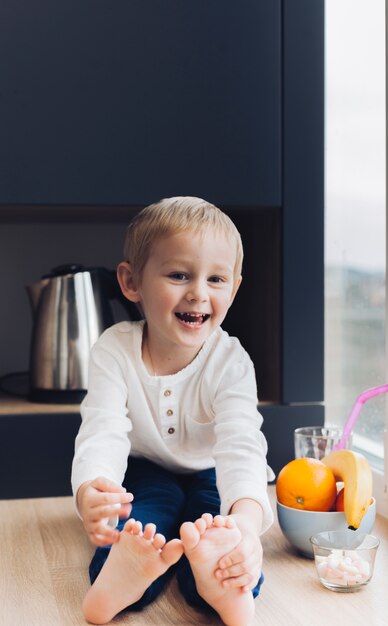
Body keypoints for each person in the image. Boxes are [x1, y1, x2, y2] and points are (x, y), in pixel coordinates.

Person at [71, 196, 275, 626]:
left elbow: (241, 448)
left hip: (211, 473)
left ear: (234, 289)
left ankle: (216, 587)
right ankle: (118, 581)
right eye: (179, 274)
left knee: (222, 536)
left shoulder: (232, 362)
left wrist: (247, 525)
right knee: (137, 528)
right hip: (144, 470)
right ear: (132, 282)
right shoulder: (114, 349)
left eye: (216, 279)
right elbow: (102, 431)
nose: (199, 293)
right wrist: (95, 490)